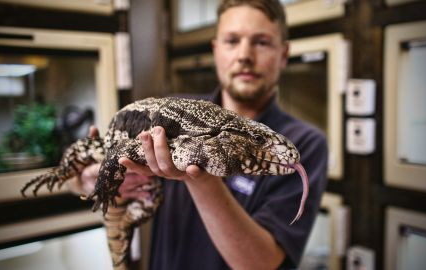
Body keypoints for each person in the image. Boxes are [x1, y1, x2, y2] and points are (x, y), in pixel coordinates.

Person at [71, 0, 328, 269]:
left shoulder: (305, 144)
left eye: (261, 42)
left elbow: (262, 264)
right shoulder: (173, 112)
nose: (244, 55)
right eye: (232, 41)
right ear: (216, 50)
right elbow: (81, 180)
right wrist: (90, 179)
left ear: (284, 54)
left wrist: (201, 179)